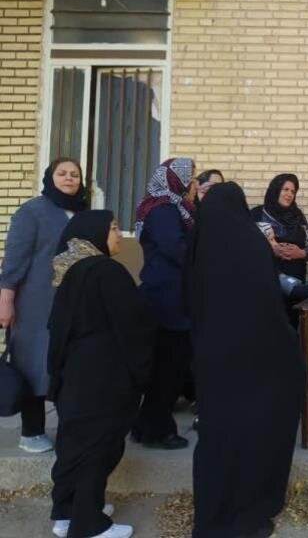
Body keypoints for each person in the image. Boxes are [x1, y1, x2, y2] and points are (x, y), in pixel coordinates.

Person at [188, 182, 304, 538]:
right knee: (254, 432)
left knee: (216, 437)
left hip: (212, 356)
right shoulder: (251, 243)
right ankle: (249, 510)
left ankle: (212, 517)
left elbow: (189, 298)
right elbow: (268, 303)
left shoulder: (198, 242)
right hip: (255, 356)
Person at [48, 210, 155, 538]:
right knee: (99, 446)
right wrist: (142, 372)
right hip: (105, 375)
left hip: (75, 373)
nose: (119, 235)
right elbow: (132, 326)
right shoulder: (107, 271)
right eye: (113, 228)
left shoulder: (70, 269)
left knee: (74, 444)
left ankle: (67, 512)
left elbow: (56, 328)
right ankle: (89, 525)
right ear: (94, 233)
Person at [0, 157, 87, 453]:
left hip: (73, 303)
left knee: (69, 366)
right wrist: (6, 301)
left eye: (75, 174)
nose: (69, 178)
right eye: (62, 173)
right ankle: (32, 432)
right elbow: (14, 260)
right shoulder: (32, 211)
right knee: (32, 363)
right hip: (34, 303)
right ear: (50, 177)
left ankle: (71, 430)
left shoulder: (83, 212)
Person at [130, 158, 197, 450]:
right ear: (176, 179)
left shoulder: (171, 207)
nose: (193, 184)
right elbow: (176, 249)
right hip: (168, 300)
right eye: (190, 178)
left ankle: (145, 426)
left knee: (165, 366)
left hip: (168, 295)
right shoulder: (165, 210)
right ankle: (159, 431)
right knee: (169, 368)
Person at [250, 173, 308, 283]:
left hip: (296, 282)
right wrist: (272, 250)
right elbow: (248, 247)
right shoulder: (258, 214)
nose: (289, 194)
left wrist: (301, 253)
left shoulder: (298, 216)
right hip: (267, 279)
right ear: (275, 190)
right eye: (285, 189)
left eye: (293, 192)